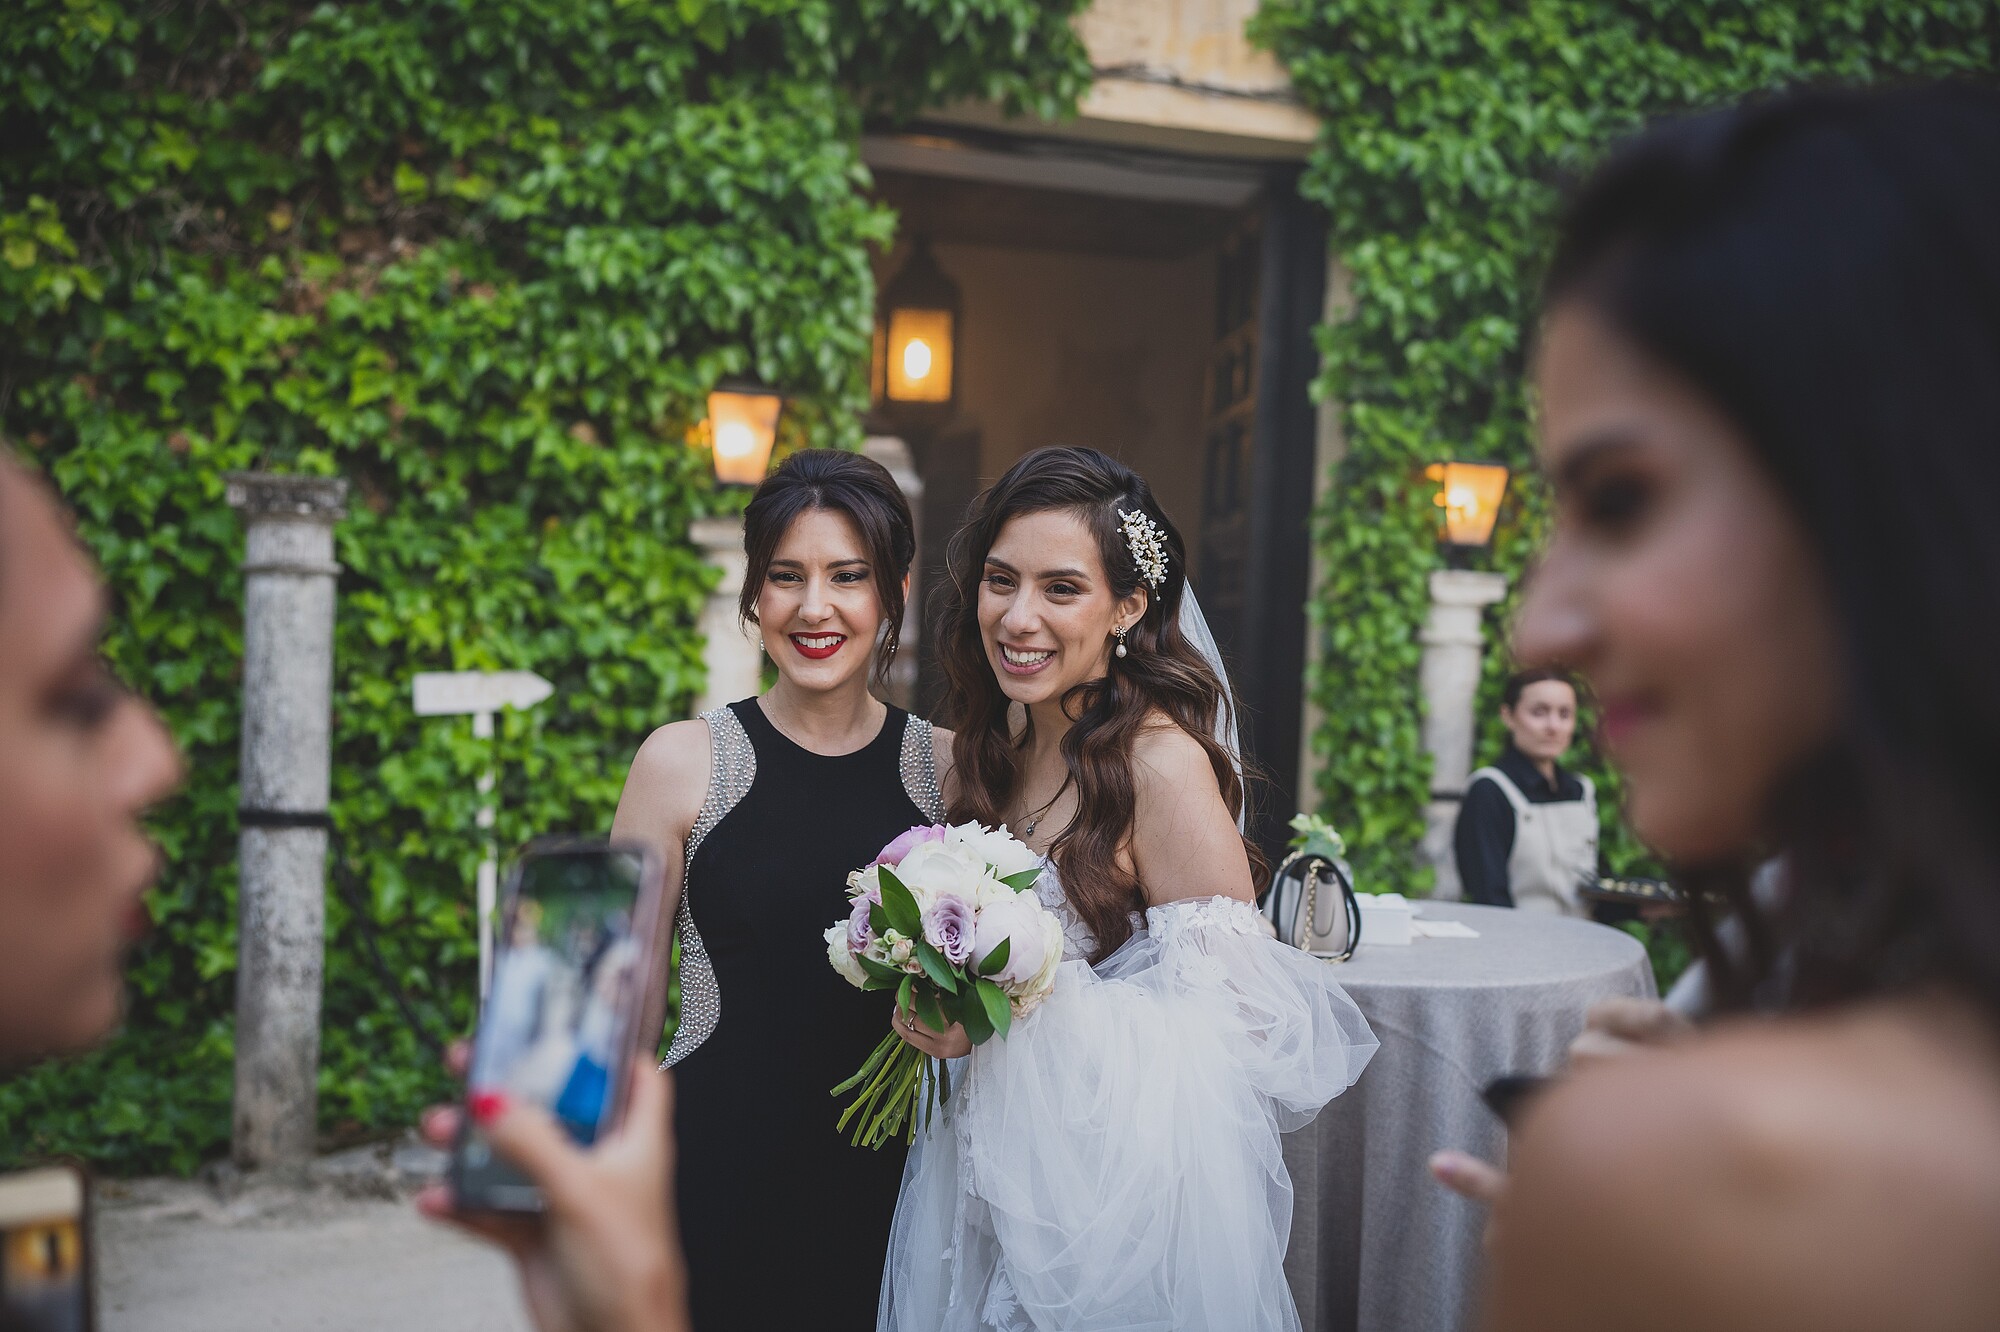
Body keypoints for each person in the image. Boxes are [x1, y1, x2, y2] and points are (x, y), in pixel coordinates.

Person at [1464, 85, 2000, 1330]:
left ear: (1889, 486)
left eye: (1620, 501)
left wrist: (1645, 1177)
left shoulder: (1693, 1175)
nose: (1540, 629)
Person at [878, 446, 1377, 1332]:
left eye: (1060, 589)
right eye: (1000, 580)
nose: (1018, 617)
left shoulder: (1161, 766)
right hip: (983, 1177)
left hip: (1109, 1218)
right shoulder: (989, 751)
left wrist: (1022, 997)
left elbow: (1241, 1033)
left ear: (1130, 605)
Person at [603, 448, 949, 1331]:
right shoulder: (681, 762)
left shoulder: (949, 772)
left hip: (899, 1189)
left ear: (893, 592)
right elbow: (618, 1008)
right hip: (713, 1173)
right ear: (755, 594)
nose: (814, 607)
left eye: (847, 576)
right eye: (786, 576)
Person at [1454, 668, 1599, 912]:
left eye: (1565, 714)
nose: (1553, 726)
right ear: (1508, 716)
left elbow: (1593, 887)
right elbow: (1488, 897)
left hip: (1585, 943)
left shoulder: (1581, 790)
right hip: (1522, 944)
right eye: (1539, 712)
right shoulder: (1490, 790)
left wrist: (1642, 908)